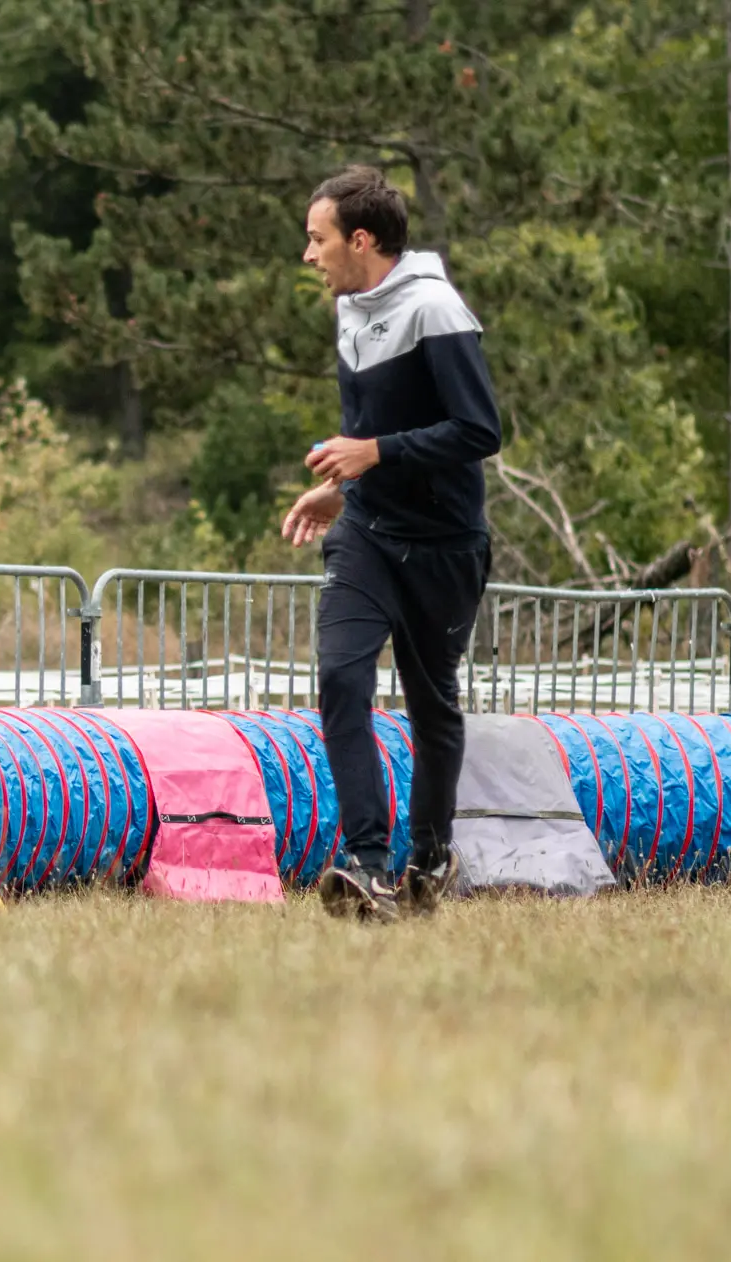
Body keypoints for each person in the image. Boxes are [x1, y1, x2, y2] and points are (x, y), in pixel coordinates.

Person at [283, 165, 502, 923]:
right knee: (341, 679)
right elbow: (367, 434)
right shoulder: (350, 309)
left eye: (318, 239)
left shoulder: (436, 308)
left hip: (444, 546)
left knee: (432, 707)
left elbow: (481, 430)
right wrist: (341, 485)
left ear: (361, 239)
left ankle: (431, 859)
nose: (309, 254)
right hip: (368, 534)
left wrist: (372, 454)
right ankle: (369, 863)